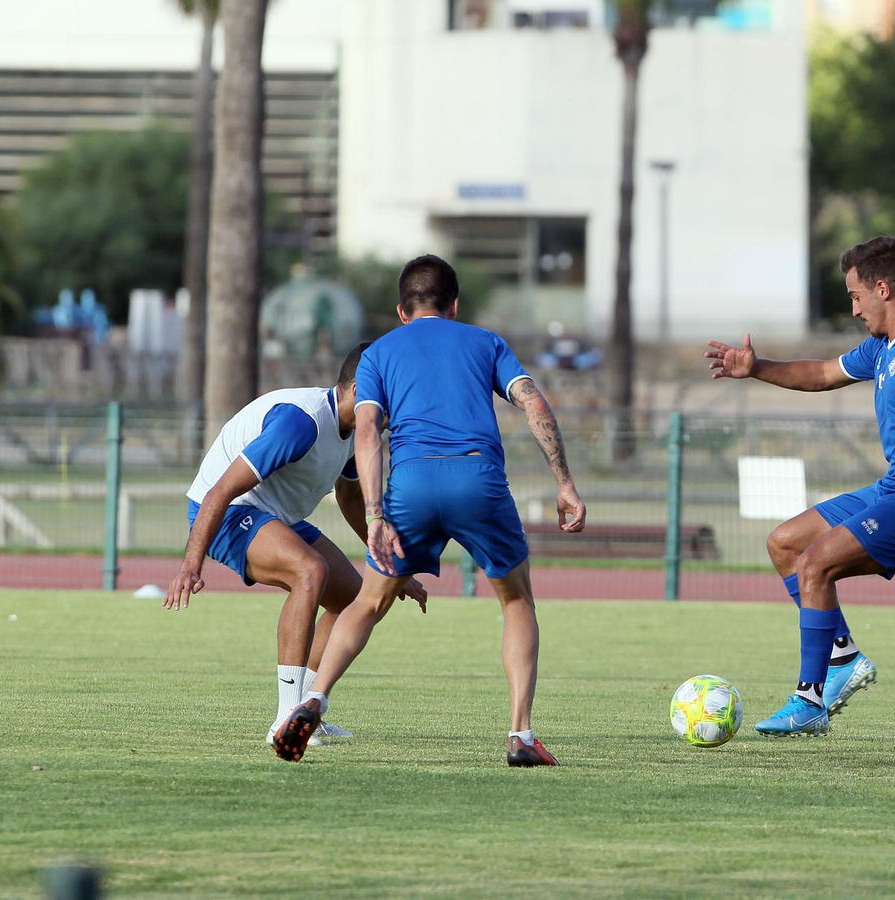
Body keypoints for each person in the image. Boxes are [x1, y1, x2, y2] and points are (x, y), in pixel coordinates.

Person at [271, 255, 587, 766]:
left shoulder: (379, 353)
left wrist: (375, 515)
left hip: (411, 484)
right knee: (516, 601)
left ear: (402, 311)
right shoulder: (486, 342)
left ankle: (314, 698)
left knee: (368, 603)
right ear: (454, 305)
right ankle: (520, 735)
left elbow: (368, 433)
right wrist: (565, 484)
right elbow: (534, 403)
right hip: (478, 479)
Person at [704, 235, 895, 737]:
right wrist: (756, 368)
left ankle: (809, 701)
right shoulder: (884, 346)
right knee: (785, 544)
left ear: (882, 288)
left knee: (815, 564)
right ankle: (844, 657)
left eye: (855, 296)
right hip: (894, 491)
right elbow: (823, 373)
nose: (853, 309)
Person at [167, 342, 428, 747]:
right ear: (359, 390)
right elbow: (220, 491)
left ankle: (308, 709)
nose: (394, 410)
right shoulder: (300, 423)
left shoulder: (354, 432)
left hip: (274, 515)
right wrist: (190, 566)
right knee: (310, 570)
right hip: (226, 512)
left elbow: (351, 498)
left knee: (355, 600)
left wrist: (388, 562)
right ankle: (285, 720)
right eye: (388, 396)